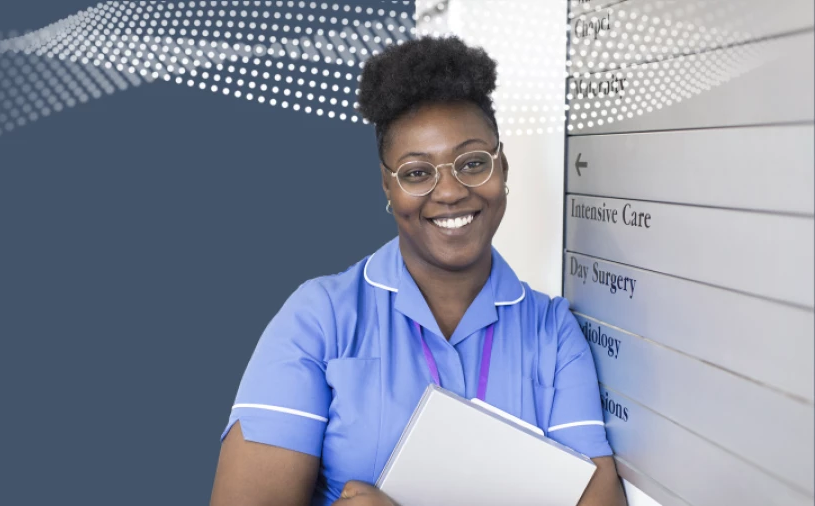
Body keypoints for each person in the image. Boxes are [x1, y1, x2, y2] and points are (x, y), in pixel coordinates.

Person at [209, 35, 627, 506]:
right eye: (416, 172)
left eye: (472, 163)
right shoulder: (319, 319)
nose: (449, 191)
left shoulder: (553, 334)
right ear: (388, 185)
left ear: (502, 167)